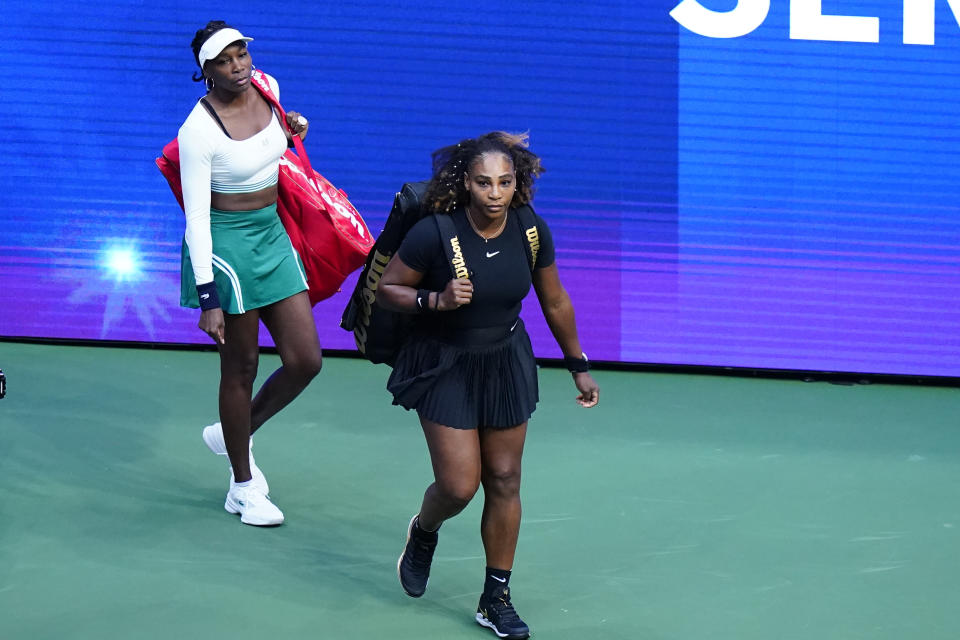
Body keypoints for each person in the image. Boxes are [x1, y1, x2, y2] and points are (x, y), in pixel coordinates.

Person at [376, 131, 600, 639]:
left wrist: (577, 363)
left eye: (504, 182)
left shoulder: (531, 229)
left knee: (504, 479)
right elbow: (389, 289)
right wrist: (433, 301)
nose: (495, 193)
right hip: (443, 360)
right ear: (466, 184)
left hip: (505, 360)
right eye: (483, 183)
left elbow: (556, 300)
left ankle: (495, 598)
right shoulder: (434, 233)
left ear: (517, 183)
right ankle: (424, 530)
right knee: (459, 485)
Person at [177, 21, 322, 526]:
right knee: (241, 368)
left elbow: (274, 141)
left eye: (241, 54)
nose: (238, 66)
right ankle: (241, 486)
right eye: (224, 60)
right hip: (225, 247)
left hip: (270, 232)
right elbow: (196, 217)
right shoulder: (197, 132)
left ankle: (232, 431)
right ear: (205, 71)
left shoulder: (269, 88)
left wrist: (291, 125)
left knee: (305, 360)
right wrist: (208, 296)